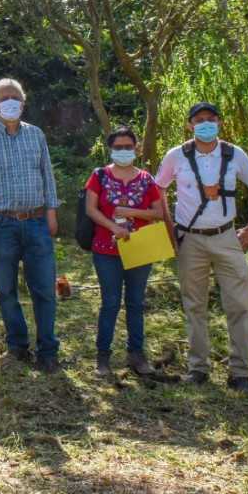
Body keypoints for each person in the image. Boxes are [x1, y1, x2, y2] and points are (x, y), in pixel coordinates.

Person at [155, 102, 248, 391]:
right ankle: (198, 369)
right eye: (199, 120)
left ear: (219, 123)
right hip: (189, 238)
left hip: (227, 237)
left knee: (239, 304)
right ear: (189, 125)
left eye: (211, 119)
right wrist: (169, 232)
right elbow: (158, 191)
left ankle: (240, 372)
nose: (205, 124)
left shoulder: (233, 154)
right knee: (194, 305)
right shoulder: (176, 156)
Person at [0, 78, 62, 373]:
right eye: (4, 98)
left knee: (44, 288)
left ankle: (48, 350)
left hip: (36, 221)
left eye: (15, 97)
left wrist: (52, 210)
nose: (10, 102)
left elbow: (47, 174)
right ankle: (17, 345)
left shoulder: (36, 136)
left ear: (23, 102)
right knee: (6, 289)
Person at [83, 125, 165, 379]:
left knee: (136, 303)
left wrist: (131, 213)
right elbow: (91, 210)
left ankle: (136, 355)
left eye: (128, 147)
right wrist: (112, 227)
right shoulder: (99, 176)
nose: (123, 151)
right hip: (106, 250)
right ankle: (103, 358)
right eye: (118, 147)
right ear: (110, 149)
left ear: (136, 148)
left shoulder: (146, 179)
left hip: (140, 247)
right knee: (110, 303)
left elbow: (159, 212)